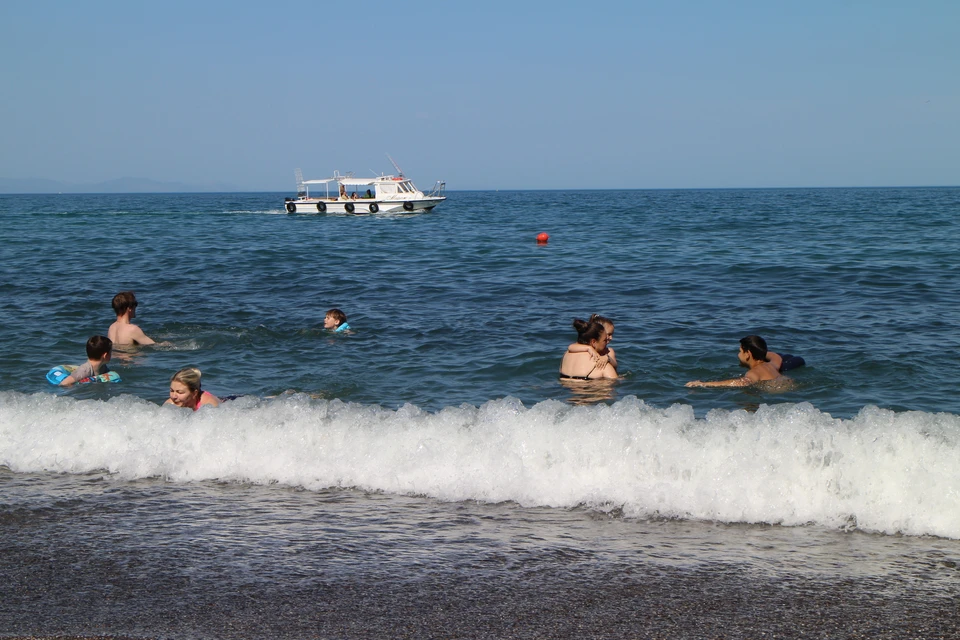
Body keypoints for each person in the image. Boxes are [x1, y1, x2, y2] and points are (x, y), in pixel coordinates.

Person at [686, 335, 787, 388]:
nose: (738, 355)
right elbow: (775, 356)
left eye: (740, 351)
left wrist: (704, 384)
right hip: (787, 384)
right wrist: (759, 351)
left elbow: (741, 383)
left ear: (747, 354)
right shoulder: (772, 365)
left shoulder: (753, 373)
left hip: (775, 391)